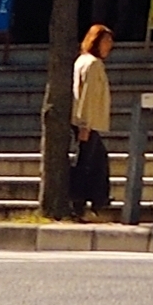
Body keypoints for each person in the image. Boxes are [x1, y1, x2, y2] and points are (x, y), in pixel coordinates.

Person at [57, 20, 108, 217]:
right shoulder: (93, 64)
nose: (108, 47)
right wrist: (85, 124)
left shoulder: (81, 61)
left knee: (93, 161)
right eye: (106, 42)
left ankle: (92, 203)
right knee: (89, 163)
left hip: (83, 121)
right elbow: (86, 95)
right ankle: (85, 204)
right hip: (87, 122)